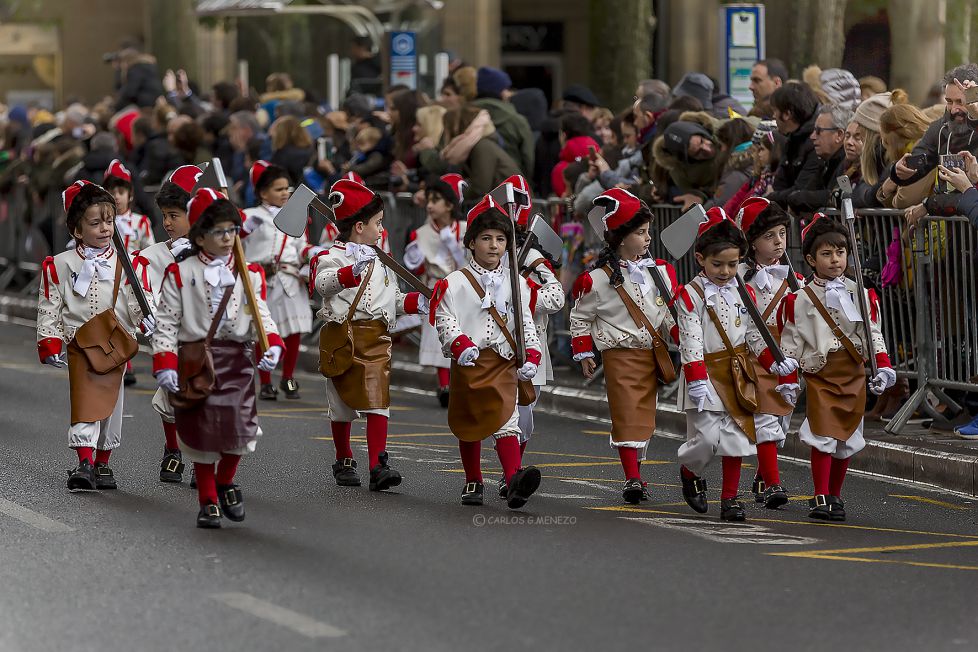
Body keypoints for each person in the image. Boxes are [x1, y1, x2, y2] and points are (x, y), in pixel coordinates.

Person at [152, 188, 284, 528]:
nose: (227, 239)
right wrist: (165, 363)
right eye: (218, 232)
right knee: (201, 435)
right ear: (199, 235)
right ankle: (208, 500)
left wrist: (272, 345)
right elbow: (166, 322)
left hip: (237, 360)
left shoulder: (248, 272)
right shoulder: (180, 273)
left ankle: (226, 481)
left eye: (231, 230)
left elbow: (262, 315)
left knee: (242, 432)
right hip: (197, 360)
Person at [777, 214, 896, 521]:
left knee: (846, 437)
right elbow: (791, 344)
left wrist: (882, 366)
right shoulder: (799, 300)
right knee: (823, 435)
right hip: (822, 375)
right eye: (826, 254)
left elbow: (873, 334)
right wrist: (789, 378)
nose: (835, 260)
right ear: (810, 259)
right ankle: (820, 494)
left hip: (853, 372)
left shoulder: (861, 293)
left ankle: (836, 495)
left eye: (840, 253)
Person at [37, 181, 154, 491]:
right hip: (79, 342)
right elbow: (50, 305)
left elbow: (137, 298)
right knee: (85, 401)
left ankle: (103, 462)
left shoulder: (127, 262)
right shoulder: (59, 265)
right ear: (77, 229)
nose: (105, 228)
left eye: (109, 220)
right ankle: (84, 462)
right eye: (95, 222)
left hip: (115, 341)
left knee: (112, 407)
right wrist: (49, 341)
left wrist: (147, 320)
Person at [429, 193, 543, 508]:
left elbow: (526, 324)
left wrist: (531, 355)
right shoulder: (454, 282)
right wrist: (460, 344)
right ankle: (473, 479)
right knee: (470, 423)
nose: (493, 245)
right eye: (486, 238)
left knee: (507, 421)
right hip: (470, 362)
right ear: (472, 243)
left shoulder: (516, 283)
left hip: (503, 362)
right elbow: (444, 318)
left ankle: (514, 479)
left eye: (500, 239)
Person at [313, 179, 427, 491]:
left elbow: (391, 301)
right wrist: (350, 273)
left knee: (379, 402)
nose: (382, 229)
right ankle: (344, 457)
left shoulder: (382, 260)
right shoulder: (332, 256)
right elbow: (322, 284)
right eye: (378, 223)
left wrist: (419, 302)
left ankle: (379, 463)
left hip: (376, 338)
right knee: (341, 406)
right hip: (344, 337)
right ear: (359, 226)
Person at [570, 188, 678, 504]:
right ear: (619, 237)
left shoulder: (661, 271)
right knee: (627, 414)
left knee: (644, 418)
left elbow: (666, 312)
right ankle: (632, 478)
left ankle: (636, 470)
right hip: (619, 355)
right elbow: (580, 316)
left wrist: (678, 334)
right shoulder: (597, 280)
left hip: (652, 354)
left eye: (648, 232)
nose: (647, 238)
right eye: (640, 232)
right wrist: (584, 352)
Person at [674, 207, 757, 522]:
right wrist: (695, 377)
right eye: (717, 264)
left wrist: (776, 362)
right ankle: (689, 470)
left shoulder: (743, 290)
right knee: (706, 439)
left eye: (733, 264)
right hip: (704, 373)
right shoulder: (690, 294)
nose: (725, 271)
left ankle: (731, 499)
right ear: (700, 259)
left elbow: (752, 332)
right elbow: (690, 337)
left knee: (736, 438)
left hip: (736, 372)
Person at [131, 165, 202, 483]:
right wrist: (145, 320)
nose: (167, 222)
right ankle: (172, 449)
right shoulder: (154, 257)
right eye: (165, 214)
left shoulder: (219, 254)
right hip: (172, 339)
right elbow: (142, 295)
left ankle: (205, 460)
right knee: (171, 397)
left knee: (210, 403)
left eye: (175, 214)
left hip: (209, 341)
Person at [736, 197, 804, 506]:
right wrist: (769, 358)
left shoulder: (795, 279)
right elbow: (746, 325)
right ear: (751, 242)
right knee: (764, 420)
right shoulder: (737, 277)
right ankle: (775, 484)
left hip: (788, 355)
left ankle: (763, 475)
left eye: (781, 234)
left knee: (781, 422)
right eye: (769, 236)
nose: (778, 242)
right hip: (756, 354)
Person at [241, 161, 319, 400]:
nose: (286, 193)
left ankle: (288, 377)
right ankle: (265, 381)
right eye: (278, 189)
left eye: (288, 188)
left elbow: (300, 246)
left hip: (289, 277)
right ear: (262, 192)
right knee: (262, 330)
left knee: (294, 329)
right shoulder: (250, 216)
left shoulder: (295, 216)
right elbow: (237, 240)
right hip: (261, 279)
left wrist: (313, 252)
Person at [509, 175, 564, 490]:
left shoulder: (531, 257)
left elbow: (556, 297)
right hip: (495, 344)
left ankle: (513, 472)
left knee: (524, 412)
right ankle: (505, 472)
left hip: (530, 345)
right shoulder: (486, 256)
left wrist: (523, 299)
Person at [403, 174, 468, 407]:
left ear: (450, 205)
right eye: (428, 200)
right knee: (438, 333)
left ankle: (461, 380)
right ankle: (444, 385)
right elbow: (416, 267)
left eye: (436, 200)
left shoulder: (466, 228)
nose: (430, 205)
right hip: (436, 288)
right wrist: (416, 260)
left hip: (463, 287)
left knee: (464, 332)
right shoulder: (420, 233)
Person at [783, 104, 852, 213]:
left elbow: (844, 194)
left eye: (819, 131)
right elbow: (807, 192)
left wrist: (796, 199)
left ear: (839, 135)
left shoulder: (847, 163)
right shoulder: (825, 162)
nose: (812, 136)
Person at [441, 106, 521, 198]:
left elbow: (479, 189)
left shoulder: (482, 147)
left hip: (512, 208)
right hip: (503, 206)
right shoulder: (472, 148)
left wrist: (451, 194)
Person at [767, 82, 822, 209]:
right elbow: (780, 183)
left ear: (787, 114)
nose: (773, 116)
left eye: (775, 111)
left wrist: (772, 196)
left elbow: (801, 190)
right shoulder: (792, 139)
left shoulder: (814, 143)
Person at [471, 67, 535, 175]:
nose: (509, 93)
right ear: (499, 91)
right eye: (506, 89)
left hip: (474, 182)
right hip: (510, 181)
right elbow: (528, 158)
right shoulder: (517, 120)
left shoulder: (464, 115)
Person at [104, 158, 155, 253]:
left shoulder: (141, 222)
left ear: (130, 195)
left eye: (121, 192)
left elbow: (150, 253)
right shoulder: (101, 223)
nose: (116, 197)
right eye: (112, 193)